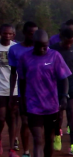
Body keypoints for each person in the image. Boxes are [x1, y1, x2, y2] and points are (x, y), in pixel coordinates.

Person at [18, 30, 70, 157]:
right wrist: (22, 101)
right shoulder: (25, 58)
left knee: (49, 138)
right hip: (33, 105)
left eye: (45, 46)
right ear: (33, 43)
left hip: (51, 106)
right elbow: (22, 81)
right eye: (38, 45)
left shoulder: (55, 56)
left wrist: (64, 96)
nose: (42, 49)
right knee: (37, 139)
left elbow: (64, 78)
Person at [50, 28, 73, 155]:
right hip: (57, 85)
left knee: (72, 112)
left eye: (71, 42)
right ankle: (57, 135)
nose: (69, 45)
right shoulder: (52, 49)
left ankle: (72, 145)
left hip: (72, 84)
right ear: (61, 38)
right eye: (67, 42)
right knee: (58, 114)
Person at [9, 21, 38, 157]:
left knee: (39, 124)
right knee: (25, 122)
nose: (34, 36)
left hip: (40, 93)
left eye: (36, 34)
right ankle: (26, 152)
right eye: (32, 34)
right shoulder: (15, 50)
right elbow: (13, 73)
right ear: (25, 33)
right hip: (24, 92)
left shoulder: (42, 48)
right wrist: (11, 94)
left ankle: (39, 150)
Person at [0, 24, 18, 157]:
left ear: (13, 35)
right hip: (0, 89)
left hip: (14, 89)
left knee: (12, 118)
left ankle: (11, 148)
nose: (7, 36)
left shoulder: (16, 48)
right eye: (4, 33)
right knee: (1, 117)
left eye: (9, 34)